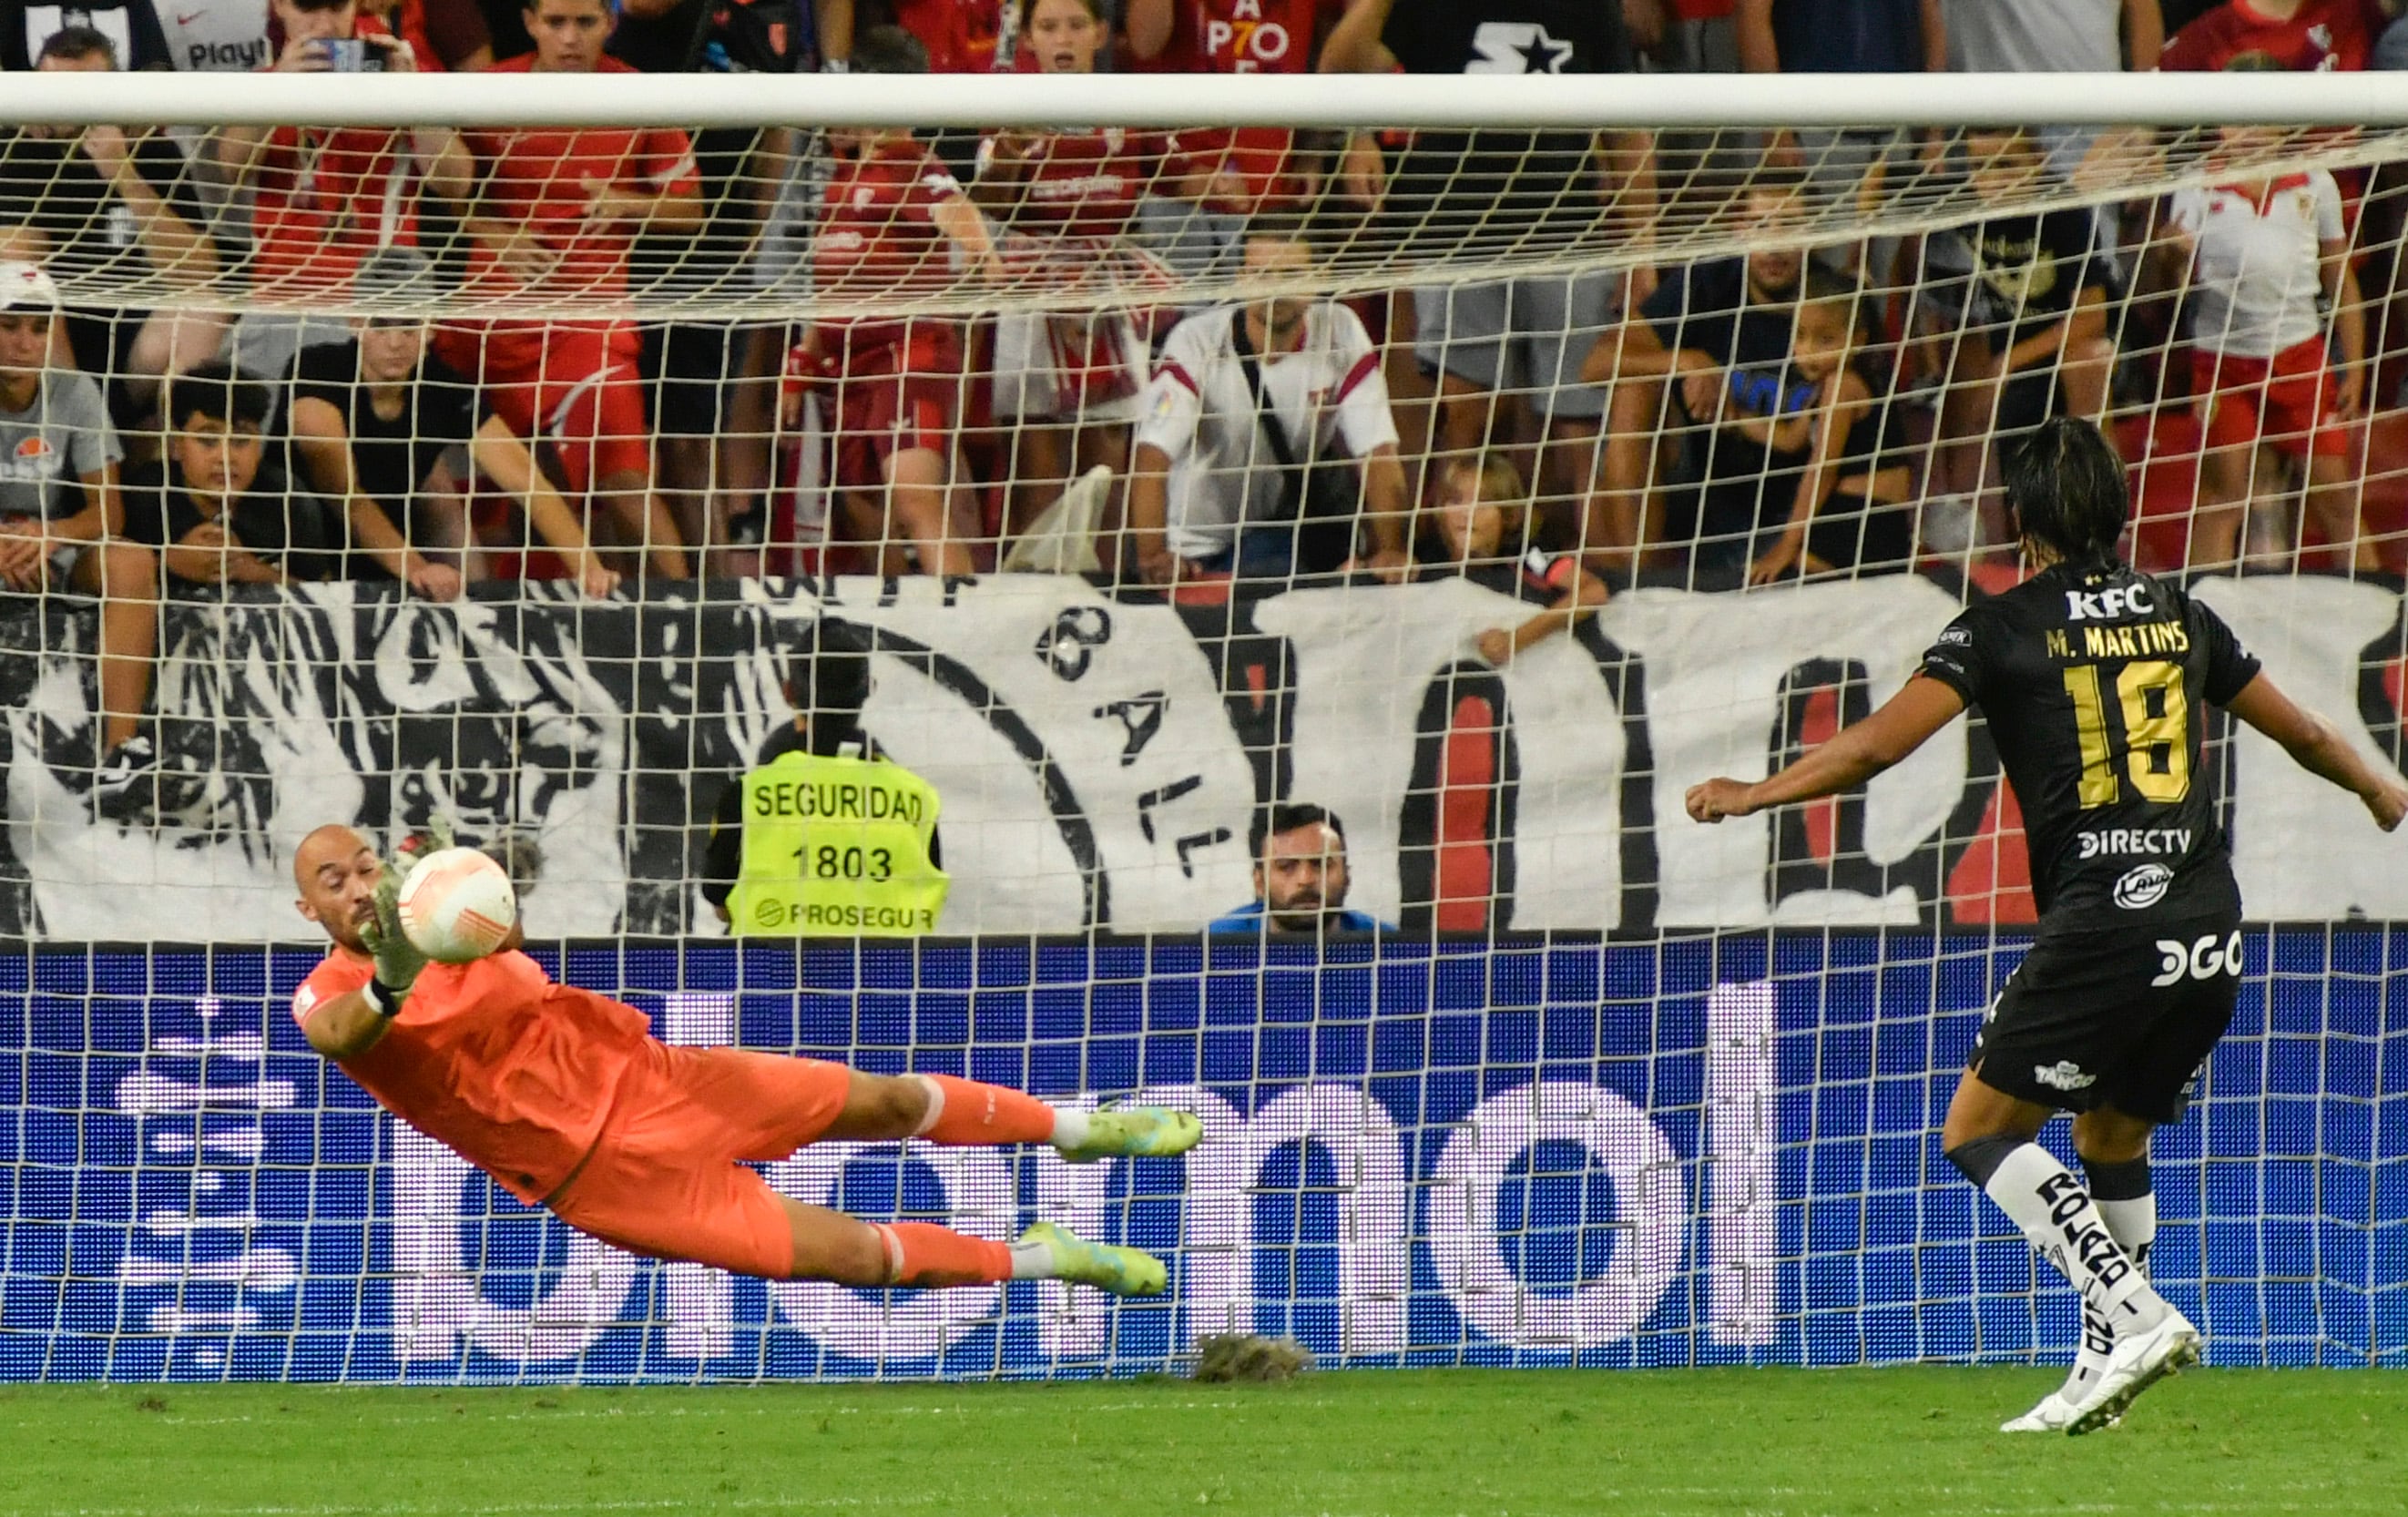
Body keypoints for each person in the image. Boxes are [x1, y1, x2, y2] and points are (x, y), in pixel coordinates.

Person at [1686, 417, 2408, 1434]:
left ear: (2016, 517)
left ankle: (2133, 1308)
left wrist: (1754, 792)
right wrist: (2380, 790)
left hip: (2105, 922)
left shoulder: (1998, 626)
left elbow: (1868, 750)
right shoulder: (2179, 613)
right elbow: (2306, 732)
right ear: (2115, 509)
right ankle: (2104, 1363)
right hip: (2207, 918)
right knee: (2109, 1131)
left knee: (1976, 1130)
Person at [291, 822, 1202, 1293]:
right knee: (852, 1258)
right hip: (604, 1179)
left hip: (660, 1082)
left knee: (881, 1100)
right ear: (311, 912)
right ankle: (1045, 1257)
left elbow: (510, 931)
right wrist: (392, 981)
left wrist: (459, 892)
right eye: (335, 883)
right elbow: (341, 1036)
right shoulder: (330, 993)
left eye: (367, 865)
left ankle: (1076, 1129)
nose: (361, 886)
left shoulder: (438, 919)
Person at [1320, 0, 1654, 548]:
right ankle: (1456, 573)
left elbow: (1626, 128)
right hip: (1455, 232)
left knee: (1582, 430)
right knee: (1465, 423)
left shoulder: (1591, 9)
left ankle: (1604, 575)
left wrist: (1641, 252)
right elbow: (1342, 64)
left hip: (1566, 233)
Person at [434, 0, 699, 585]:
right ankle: (496, 643)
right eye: (556, 23)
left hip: (590, 323)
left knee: (627, 483)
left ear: (611, 22)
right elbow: (443, 188)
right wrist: (493, 231)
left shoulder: (638, 96)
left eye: (586, 23)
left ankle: (694, 625)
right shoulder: (490, 92)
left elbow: (692, 208)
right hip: (489, 324)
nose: (571, 38)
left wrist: (627, 203)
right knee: (485, 503)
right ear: (528, 21)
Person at [792, 25, 1005, 578]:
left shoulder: (910, 162)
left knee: (915, 502)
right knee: (865, 512)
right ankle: (901, 625)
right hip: (847, 368)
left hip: (904, 356)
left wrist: (984, 252)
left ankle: (955, 621)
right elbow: (829, 278)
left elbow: (950, 204)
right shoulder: (844, 174)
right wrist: (801, 362)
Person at [287, 249, 618, 599]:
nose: (396, 342)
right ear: (356, 324)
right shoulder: (314, 371)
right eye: (381, 324)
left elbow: (526, 480)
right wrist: (417, 567)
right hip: (298, 547)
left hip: (386, 549)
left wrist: (588, 567)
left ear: (431, 328)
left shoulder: (446, 387)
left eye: (410, 325)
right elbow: (344, 496)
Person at [972, 0, 1169, 548]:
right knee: (1040, 478)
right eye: (1049, 26)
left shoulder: (1128, 108)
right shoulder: (1008, 110)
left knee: (1107, 471)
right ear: (1029, 38)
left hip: (1107, 290)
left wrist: (1217, 187)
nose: (1064, 37)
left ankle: (1108, 597)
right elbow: (988, 204)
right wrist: (1010, 150)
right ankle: (1034, 602)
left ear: (1101, 34)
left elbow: (1172, 179)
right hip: (1032, 295)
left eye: (1077, 25)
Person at [1127, 214, 1409, 586]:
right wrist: (1153, 555)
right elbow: (1151, 456)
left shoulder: (1340, 330)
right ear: (1242, 278)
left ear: (1320, 278)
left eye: (1291, 274)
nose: (1276, 290)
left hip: (1285, 535)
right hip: (1198, 548)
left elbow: (1378, 453)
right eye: (1261, 274)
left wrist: (1390, 550)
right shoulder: (1195, 341)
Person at [213, 0, 474, 378]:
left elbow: (457, 183)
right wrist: (278, 90)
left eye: (337, 7)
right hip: (283, 298)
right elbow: (228, 167)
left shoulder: (395, 78)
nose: (323, 25)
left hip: (380, 309)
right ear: (281, 7)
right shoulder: (265, 85)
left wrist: (413, 98)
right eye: (308, 8)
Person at [2157, 132, 2370, 573]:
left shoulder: (2316, 184)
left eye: (2257, 124)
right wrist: (2171, 257)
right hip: (2223, 362)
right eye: (2234, 125)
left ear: (2280, 128)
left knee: (2337, 497)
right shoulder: (2197, 186)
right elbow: (2174, 288)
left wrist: (2357, 365)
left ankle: (2389, 622)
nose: (2244, 136)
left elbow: (2341, 280)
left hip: (2301, 359)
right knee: (2222, 499)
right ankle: (2199, 622)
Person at [1587, 168, 1807, 576]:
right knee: (1635, 389)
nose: (1776, 245)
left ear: (1814, 233)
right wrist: (1689, 360)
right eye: (1762, 225)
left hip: (1792, 503)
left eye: (1791, 227)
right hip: (1700, 491)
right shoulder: (1708, 285)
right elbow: (1597, 364)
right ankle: (1640, 577)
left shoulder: (1833, 302)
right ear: (1740, 229)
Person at [0, 26, 221, 428]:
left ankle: (166, 455)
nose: (72, 109)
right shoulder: (18, 154)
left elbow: (201, 272)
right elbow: (16, 265)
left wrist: (123, 174)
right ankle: (75, 429)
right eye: (57, 94)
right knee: (19, 272)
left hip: (137, 352)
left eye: (87, 93)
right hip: (42, 350)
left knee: (206, 307)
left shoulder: (153, 152)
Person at [0, 260, 160, 812]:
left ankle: (122, 752)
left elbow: (108, 514)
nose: (26, 342)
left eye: (40, 328)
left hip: (43, 547)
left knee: (132, 561)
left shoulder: (74, 392)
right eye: (11, 325)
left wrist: (49, 535)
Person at [1920, 124, 2116, 540]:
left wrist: (2006, 363)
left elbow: (2093, 317)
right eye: (1979, 166)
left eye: (2006, 164)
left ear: (2039, 162)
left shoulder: (2065, 213)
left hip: (2065, 348)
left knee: (2088, 359)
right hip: (2007, 356)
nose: (1991, 178)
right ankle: (1974, 519)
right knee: (2022, 492)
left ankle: (2109, 516)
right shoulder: (1962, 207)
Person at [1673, 266, 1917, 587]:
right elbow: (1790, 439)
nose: (1808, 352)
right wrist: (1731, 417)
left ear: (1857, 340)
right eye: (1800, 336)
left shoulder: (1844, 385)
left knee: (1777, 577)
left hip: (1866, 521)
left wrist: (1787, 546)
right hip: (1843, 515)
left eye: (1825, 339)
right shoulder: (1825, 386)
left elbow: (1822, 469)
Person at [702, 623, 949, 935]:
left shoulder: (748, 795)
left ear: (788, 691)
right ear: (869, 688)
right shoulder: (917, 800)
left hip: (769, 975)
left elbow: (719, 902)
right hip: (890, 976)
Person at [118, 360, 336, 589]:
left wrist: (249, 569)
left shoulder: (288, 496)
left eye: (241, 440)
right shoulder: (144, 494)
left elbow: (324, 596)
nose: (225, 457)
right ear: (176, 445)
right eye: (207, 439)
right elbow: (92, 583)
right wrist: (168, 562)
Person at [1417, 453, 1609, 667]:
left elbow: (1594, 592)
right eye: (1455, 500)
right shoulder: (1426, 556)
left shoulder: (1527, 555)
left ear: (1510, 515)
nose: (1466, 513)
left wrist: (1516, 639)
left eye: (1483, 502)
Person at [1208, 802, 1391, 934]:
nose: (1306, 879)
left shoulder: (1386, 948)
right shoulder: (1214, 947)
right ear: (1259, 883)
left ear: (1347, 878)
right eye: (1286, 866)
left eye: (1321, 864)